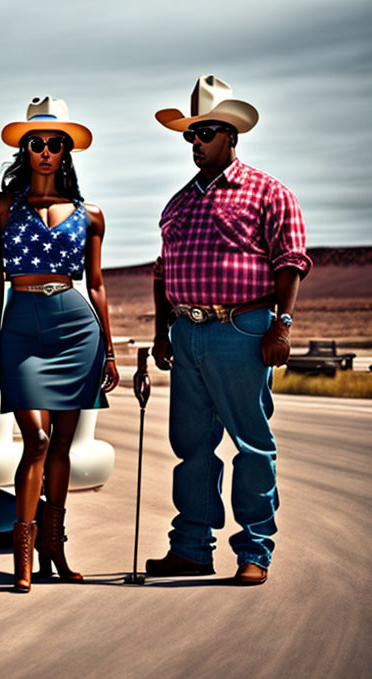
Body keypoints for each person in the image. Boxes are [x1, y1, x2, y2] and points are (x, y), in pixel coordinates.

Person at [147, 75, 311, 585]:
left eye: (208, 132)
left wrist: (281, 327)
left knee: (251, 443)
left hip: (243, 330)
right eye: (191, 135)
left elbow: (290, 261)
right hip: (187, 331)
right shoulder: (177, 203)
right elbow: (161, 272)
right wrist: (161, 332)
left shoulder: (268, 192)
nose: (197, 142)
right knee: (191, 446)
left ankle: (255, 549)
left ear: (232, 135)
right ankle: (192, 546)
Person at [0, 97, 118, 593]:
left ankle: (54, 547)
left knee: (62, 442)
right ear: (25, 149)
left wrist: (110, 349)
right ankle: (22, 548)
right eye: (36, 143)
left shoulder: (91, 214)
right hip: (20, 325)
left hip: (76, 325)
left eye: (55, 144)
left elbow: (97, 284)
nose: (45, 151)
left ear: (66, 153)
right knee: (35, 440)